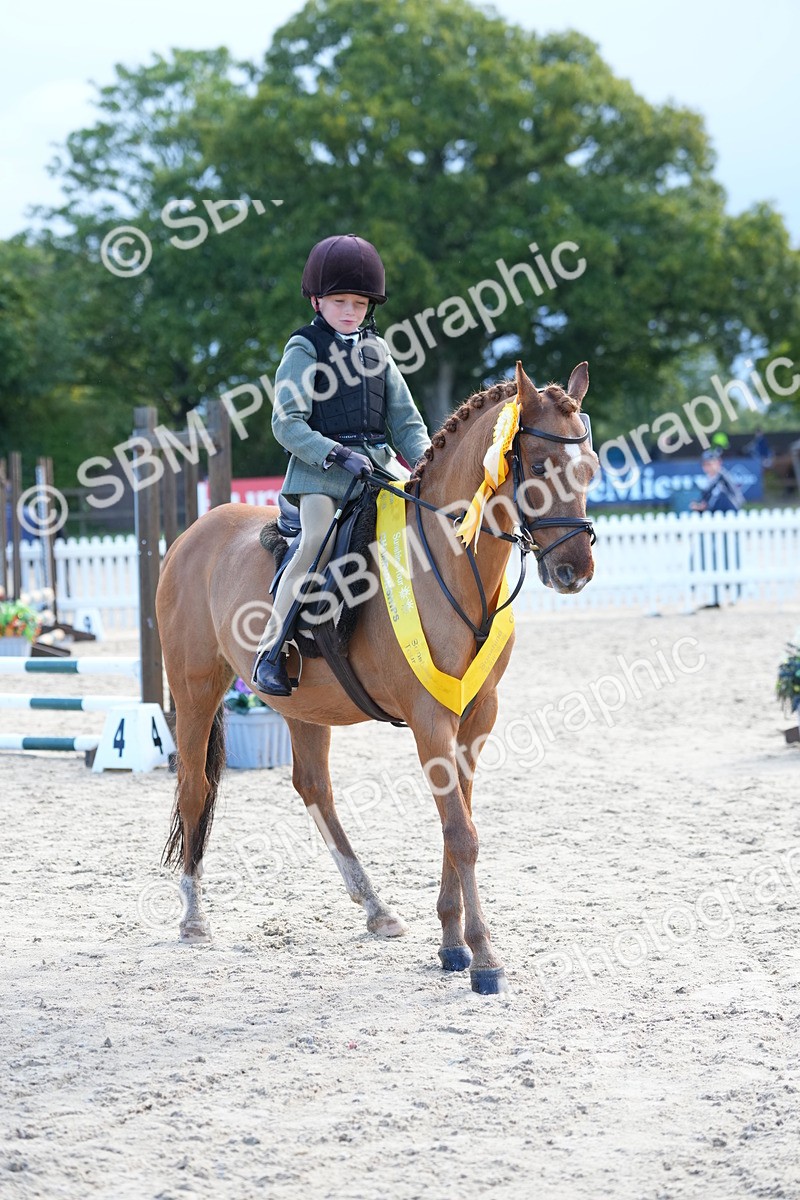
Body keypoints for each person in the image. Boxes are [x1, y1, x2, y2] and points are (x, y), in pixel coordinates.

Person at [252, 234, 431, 696]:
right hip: (321, 474)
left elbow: (407, 423)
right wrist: (335, 453)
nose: (349, 310)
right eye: (338, 301)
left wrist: (429, 461)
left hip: (379, 467)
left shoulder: (380, 352)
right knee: (314, 541)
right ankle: (270, 652)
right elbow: (285, 423)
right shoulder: (304, 348)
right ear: (317, 300)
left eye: (357, 302)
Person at [690, 448, 744, 514]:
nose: (707, 467)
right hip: (714, 512)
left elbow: (738, 499)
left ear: (718, 463)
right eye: (704, 464)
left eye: (709, 464)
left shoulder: (723, 477)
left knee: (721, 497)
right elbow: (705, 497)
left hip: (729, 511)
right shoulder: (707, 479)